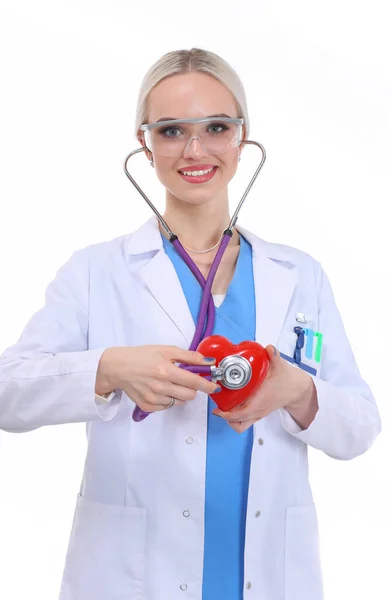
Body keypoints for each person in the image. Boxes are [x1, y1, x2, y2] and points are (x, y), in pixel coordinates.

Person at [0, 47, 381, 600]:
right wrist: (108, 369)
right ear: (145, 143)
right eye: (173, 130)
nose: (195, 150)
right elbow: (8, 394)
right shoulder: (96, 271)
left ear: (242, 137)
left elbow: (360, 428)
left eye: (217, 127)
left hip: (268, 574)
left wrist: (299, 391)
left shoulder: (298, 274)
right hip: (131, 578)